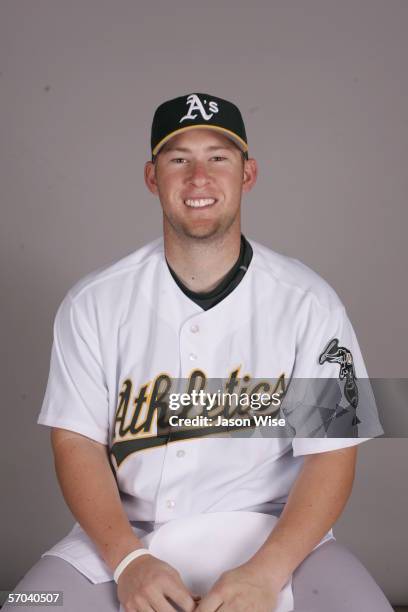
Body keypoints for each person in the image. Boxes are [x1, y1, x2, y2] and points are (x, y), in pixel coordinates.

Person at [5, 93, 393, 612]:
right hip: (127, 535)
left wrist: (269, 571)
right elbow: (74, 443)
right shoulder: (93, 302)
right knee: (30, 603)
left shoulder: (310, 301)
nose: (198, 178)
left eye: (218, 157)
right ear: (152, 177)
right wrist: (126, 561)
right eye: (178, 159)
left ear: (248, 173)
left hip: (275, 535)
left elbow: (334, 455)